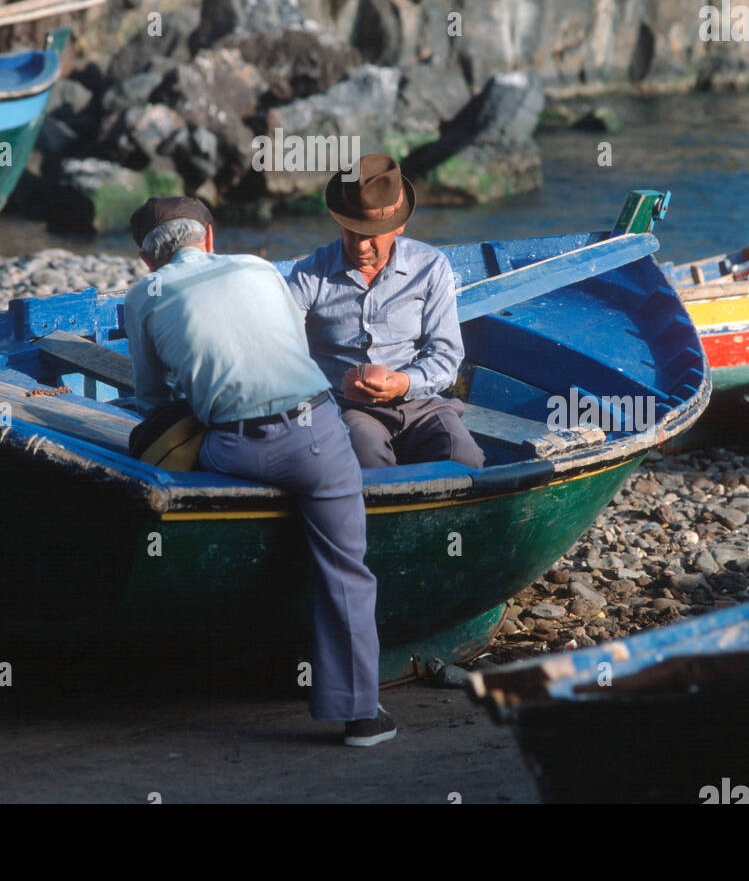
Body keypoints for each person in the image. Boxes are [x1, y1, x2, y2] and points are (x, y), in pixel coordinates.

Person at [122, 196, 396, 747]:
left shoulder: (142, 296)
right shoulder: (258, 268)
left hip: (235, 452)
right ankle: (360, 715)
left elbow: (153, 397)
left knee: (160, 436)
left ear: (149, 261)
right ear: (209, 237)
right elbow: (293, 349)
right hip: (316, 439)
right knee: (346, 570)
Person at [287, 154, 485, 471]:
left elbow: (446, 354)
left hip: (422, 405)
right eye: (351, 232)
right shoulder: (309, 275)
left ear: (399, 226)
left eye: (371, 236)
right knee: (369, 463)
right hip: (348, 409)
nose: (360, 246)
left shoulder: (431, 267)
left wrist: (404, 383)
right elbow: (280, 346)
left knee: (465, 460)